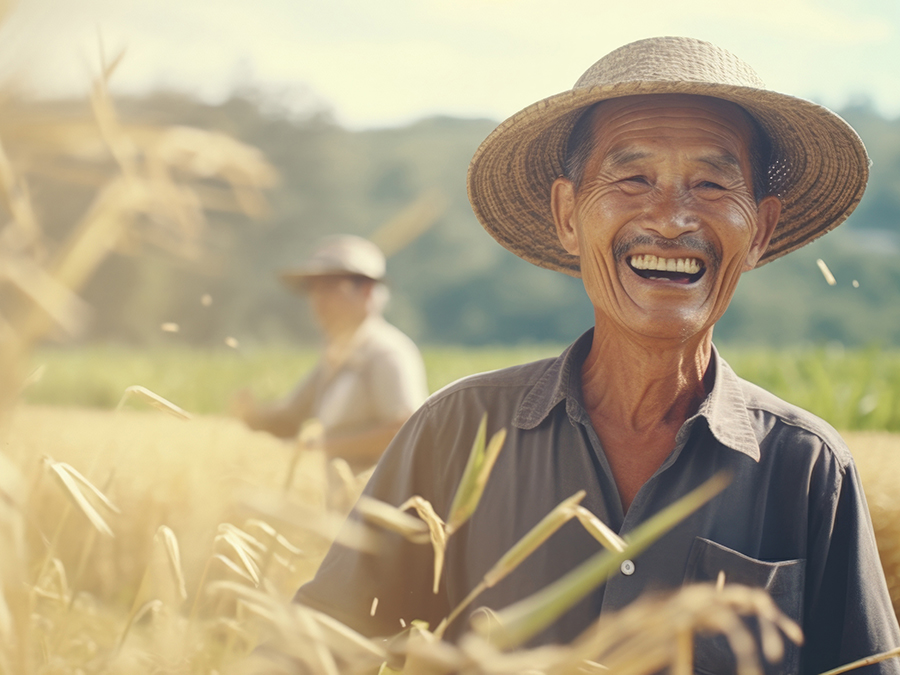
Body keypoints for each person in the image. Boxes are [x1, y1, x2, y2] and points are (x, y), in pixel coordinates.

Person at [295, 38, 900, 674]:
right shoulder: (457, 432)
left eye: (713, 182)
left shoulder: (806, 468)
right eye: (634, 178)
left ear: (763, 230)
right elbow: (312, 654)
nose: (671, 219)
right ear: (567, 215)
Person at [232, 235, 428, 473]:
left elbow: (405, 432)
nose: (318, 300)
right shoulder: (338, 354)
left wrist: (315, 448)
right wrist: (249, 417)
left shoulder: (387, 352)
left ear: (365, 292)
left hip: (367, 498)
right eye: (314, 289)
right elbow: (290, 417)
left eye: (329, 288)